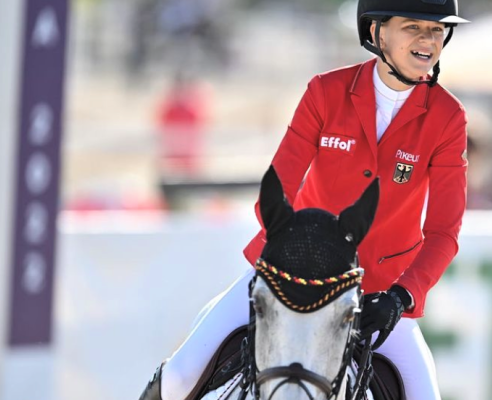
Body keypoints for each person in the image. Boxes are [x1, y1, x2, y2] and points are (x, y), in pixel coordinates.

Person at [137, 1, 470, 399]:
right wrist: (302, 256)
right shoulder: (326, 92)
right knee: (179, 377)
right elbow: (276, 193)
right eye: (413, 27)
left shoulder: (448, 117)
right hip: (287, 275)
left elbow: (443, 233)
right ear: (378, 33)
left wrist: (401, 295)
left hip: (377, 291)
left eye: (435, 30)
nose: (427, 39)